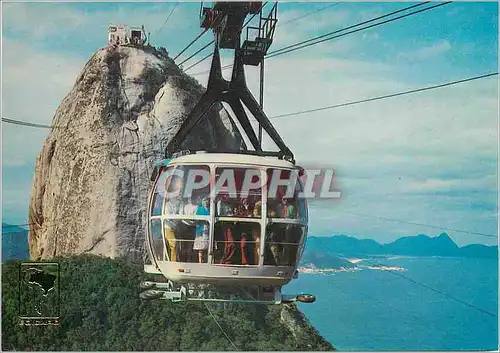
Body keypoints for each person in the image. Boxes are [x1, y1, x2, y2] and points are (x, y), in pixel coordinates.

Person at [193, 197, 210, 263]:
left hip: (208, 230)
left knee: (207, 245)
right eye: (204, 201)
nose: (205, 202)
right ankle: (200, 261)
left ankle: (207, 261)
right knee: (200, 247)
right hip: (200, 230)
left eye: (206, 201)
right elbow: (196, 219)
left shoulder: (210, 209)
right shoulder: (199, 209)